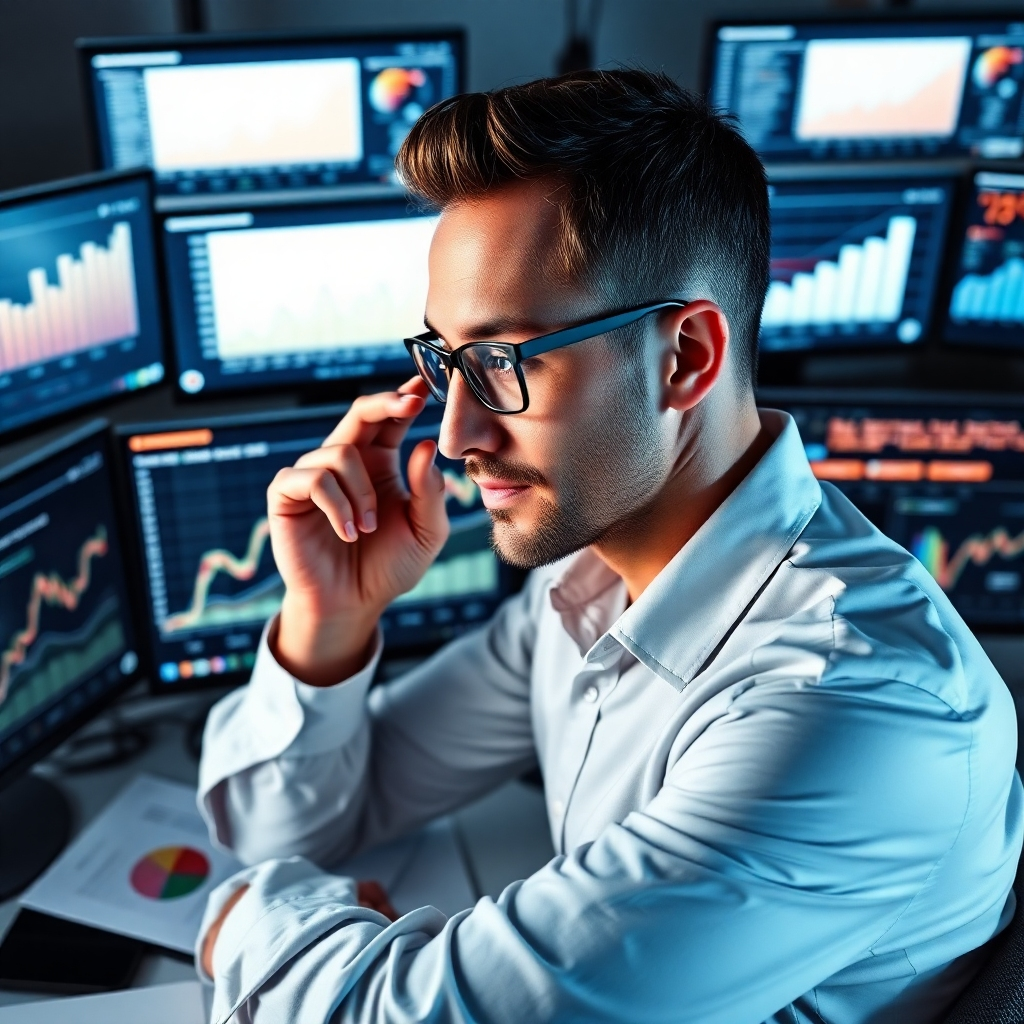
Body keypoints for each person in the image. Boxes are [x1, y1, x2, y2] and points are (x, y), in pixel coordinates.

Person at [195, 70, 1022, 1024]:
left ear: (686, 359)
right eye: (444, 361)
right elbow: (295, 827)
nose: (457, 434)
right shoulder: (589, 580)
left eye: (506, 362)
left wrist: (251, 924)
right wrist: (327, 623)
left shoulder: (853, 707)